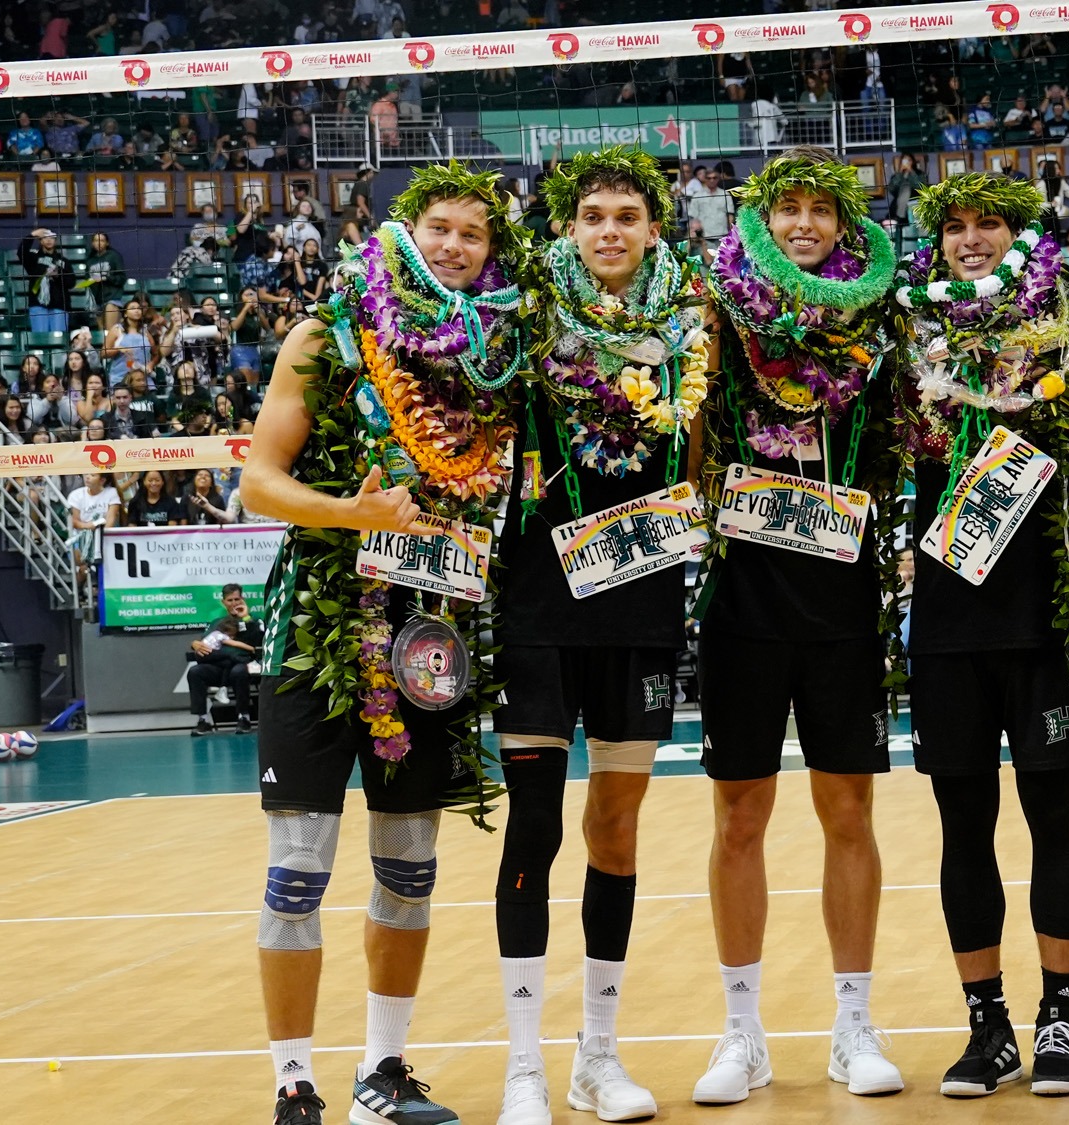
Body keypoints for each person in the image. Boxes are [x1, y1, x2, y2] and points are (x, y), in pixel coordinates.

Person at [237, 162, 529, 1125]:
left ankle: (382, 1072)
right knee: (299, 866)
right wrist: (350, 512)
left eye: (472, 235)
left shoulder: (496, 353)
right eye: (438, 226)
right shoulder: (327, 333)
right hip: (320, 628)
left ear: (492, 252)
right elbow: (260, 485)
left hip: (432, 632)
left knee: (409, 866)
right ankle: (293, 1081)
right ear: (404, 234)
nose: (453, 245)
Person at [488, 148, 713, 1125]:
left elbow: (699, 456)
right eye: (593, 216)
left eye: (627, 214)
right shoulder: (523, 314)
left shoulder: (689, 327)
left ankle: (598, 1056)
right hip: (539, 603)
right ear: (569, 228)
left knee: (615, 830)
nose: (610, 229)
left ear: (654, 227)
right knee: (535, 825)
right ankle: (525, 1068)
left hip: (640, 597)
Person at [693, 148, 903, 1104]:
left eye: (825, 209)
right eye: (791, 211)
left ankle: (851, 1022)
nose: (808, 223)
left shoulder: (883, 321)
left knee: (848, 814)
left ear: (847, 228)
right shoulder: (718, 313)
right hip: (743, 597)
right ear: (763, 224)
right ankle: (742, 1033)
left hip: (845, 598)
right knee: (739, 816)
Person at [892, 174, 1069, 1096]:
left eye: (993, 225)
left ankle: (1059, 1021)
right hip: (944, 614)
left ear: (1022, 236)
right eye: (958, 227)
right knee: (961, 825)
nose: (973, 240)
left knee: (1056, 817)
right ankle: (989, 1027)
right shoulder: (903, 333)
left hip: (1043, 612)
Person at [188, 583, 263, 735]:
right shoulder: (217, 622)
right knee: (195, 672)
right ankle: (203, 720)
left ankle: (244, 718)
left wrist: (246, 618)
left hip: (242, 666)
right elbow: (205, 643)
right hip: (219, 666)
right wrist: (195, 644)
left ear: (242, 599)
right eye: (230, 600)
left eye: (237, 599)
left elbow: (259, 643)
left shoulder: (254, 620)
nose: (234, 603)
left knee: (239, 670)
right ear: (223, 602)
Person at [63, 470, 119, 571]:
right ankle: (85, 580)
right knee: (83, 565)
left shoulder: (111, 492)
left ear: (102, 480)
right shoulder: (75, 495)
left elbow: (111, 519)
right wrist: (90, 526)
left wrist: (101, 534)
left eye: (92, 475)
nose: (87, 477)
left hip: (104, 535)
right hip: (81, 536)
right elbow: (74, 522)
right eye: (86, 473)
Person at [19, 229, 72, 335]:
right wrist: (33, 234)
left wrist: (57, 276)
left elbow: (71, 283)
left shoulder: (64, 261)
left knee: (58, 341)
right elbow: (21, 252)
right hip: (38, 305)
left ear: (55, 240)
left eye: (51, 237)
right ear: (40, 241)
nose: (49, 240)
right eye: (45, 237)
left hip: (59, 305)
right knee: (40, 340)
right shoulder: (33, 258)